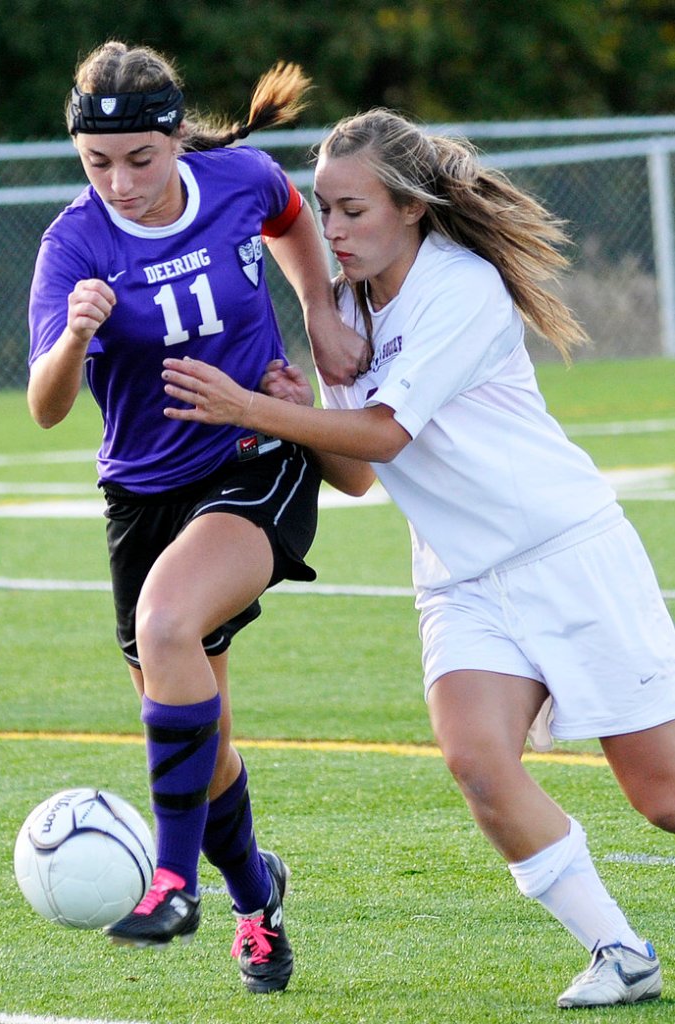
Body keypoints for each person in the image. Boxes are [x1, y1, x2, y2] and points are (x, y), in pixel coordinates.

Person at [160, 108, 675, 1009]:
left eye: (351, 211)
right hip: (460, 580)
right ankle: (619, 951)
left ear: (411, 207)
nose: (331, 233)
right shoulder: (347, 310)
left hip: (564, 553)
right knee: (476, 762)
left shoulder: (460, 285)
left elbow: (386, 434)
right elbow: (356, 472)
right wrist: (294, 395)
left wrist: (250, 407)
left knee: (662, 795)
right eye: (321, 211)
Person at [26, 40, 366, 995]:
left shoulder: (236, 179)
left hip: (252, 457)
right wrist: (77, 337)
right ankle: (257, 899)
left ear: (175, 139)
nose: (122, 184)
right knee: (202, 734)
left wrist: (319, 312)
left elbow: (292, 220)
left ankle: (172, 880)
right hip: (142, 496)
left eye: (140, 159)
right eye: (99, 165)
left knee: (165, 624)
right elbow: (46, 405)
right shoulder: (73, 245)